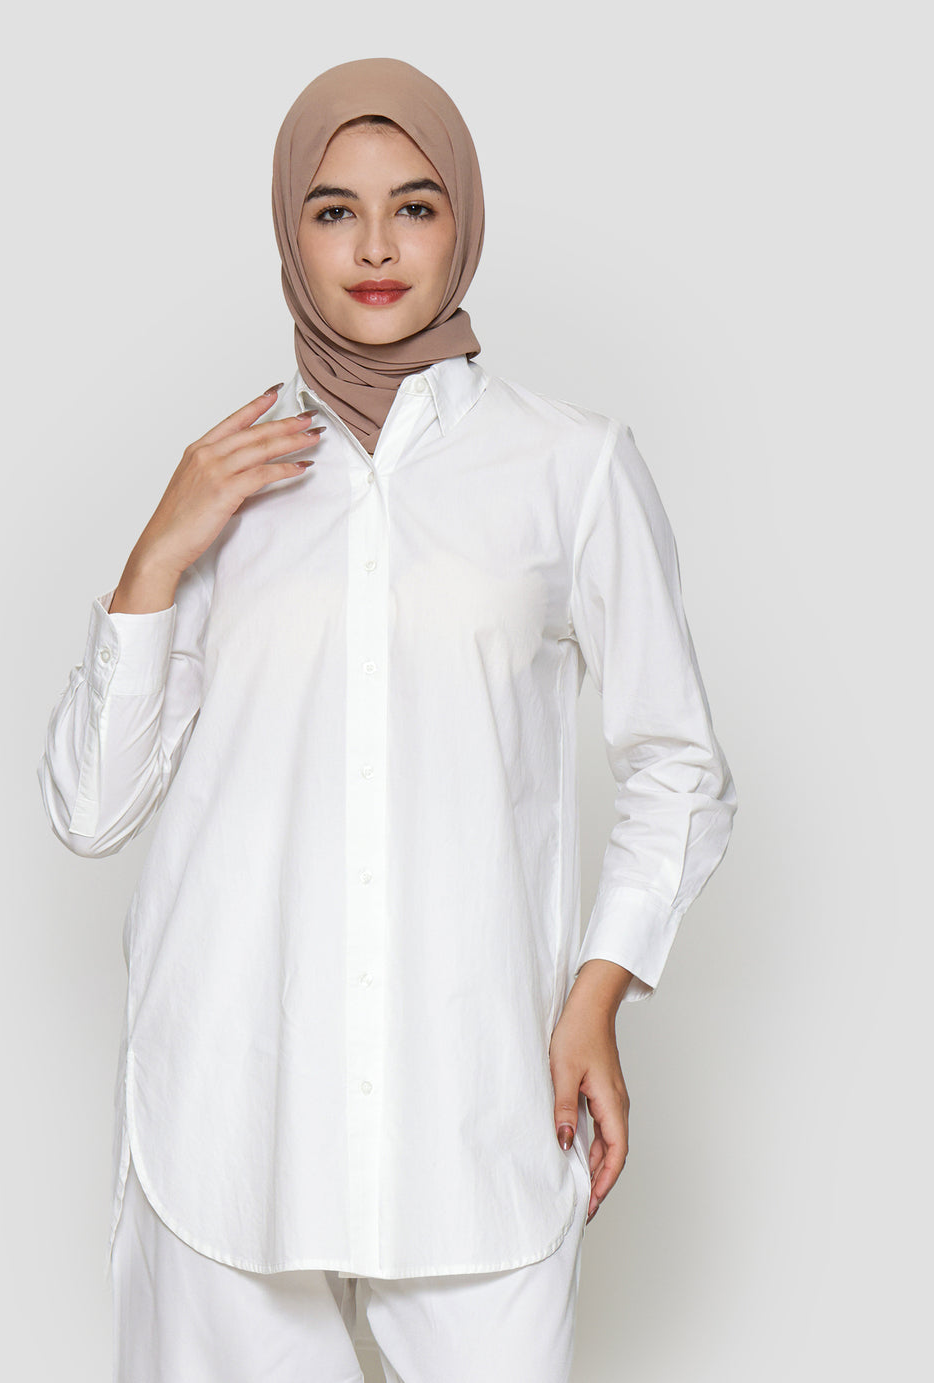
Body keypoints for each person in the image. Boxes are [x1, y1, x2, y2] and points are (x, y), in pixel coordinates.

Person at [38, 56, 737, 1383]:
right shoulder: (226, 479)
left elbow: (677, 761)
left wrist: (599, 991)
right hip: (233, 1113)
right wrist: (155, 555)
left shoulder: (570, 466)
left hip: (476, 1106)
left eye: (414, 206)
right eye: (332, 210)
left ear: (461, 220)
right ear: (287, 232)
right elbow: (89, 809)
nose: (374, 248)